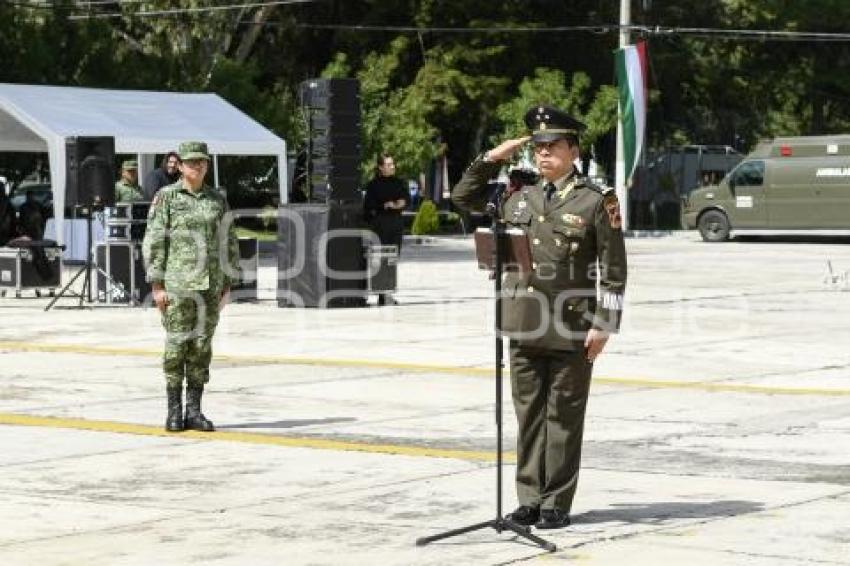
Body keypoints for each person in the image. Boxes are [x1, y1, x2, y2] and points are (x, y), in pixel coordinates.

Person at [452, 106, 627, 530]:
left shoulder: (596, 200)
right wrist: (491, 158)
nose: (544, 155)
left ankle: (556, 503)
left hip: (572, 325)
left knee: (563, 417)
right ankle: (528, 498)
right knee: (529, 415)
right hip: (523, 322)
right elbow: (462, 198)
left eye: (553, 147)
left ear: (573, 150)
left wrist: (605, 324)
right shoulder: (518, 196)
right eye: (538, 148)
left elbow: (615, 269)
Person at [142, 141, 240, 433]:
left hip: (210, 286)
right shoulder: (167, 197)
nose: (198, 167)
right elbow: (155, 240)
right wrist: (157, 285)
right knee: (176, 348)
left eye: (203, 162)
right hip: (178, 285)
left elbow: (228, 240)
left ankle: (194, 411)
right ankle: (173, 411)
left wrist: (228, 282)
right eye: (192, 162)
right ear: (180, 165)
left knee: (201, 348)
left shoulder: (216, 199)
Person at [363, 154, 407, 306]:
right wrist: (384, 206)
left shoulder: (398, 183)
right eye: (389, 164)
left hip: (395, 224)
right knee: (380, 259)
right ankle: (381, 294)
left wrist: (393, 205)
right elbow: (369, 207)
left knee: (392, 259)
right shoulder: (373, 185)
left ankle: (388, 293)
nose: (393, 166)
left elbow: (402, 201)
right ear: (381, 167)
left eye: (393, 164)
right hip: (380, 225)